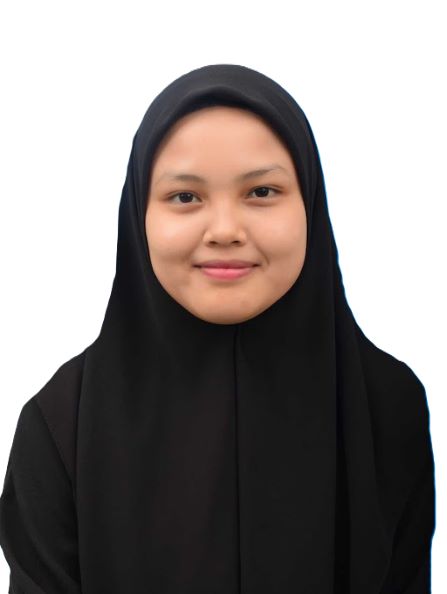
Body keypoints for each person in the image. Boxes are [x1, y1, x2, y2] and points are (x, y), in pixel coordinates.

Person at [0, 64, 436, 593]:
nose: (225, 230)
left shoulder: (385, 406)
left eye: (262, 191)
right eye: (185, 197)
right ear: (139, 214)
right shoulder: (61, 424)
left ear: (311, 203)